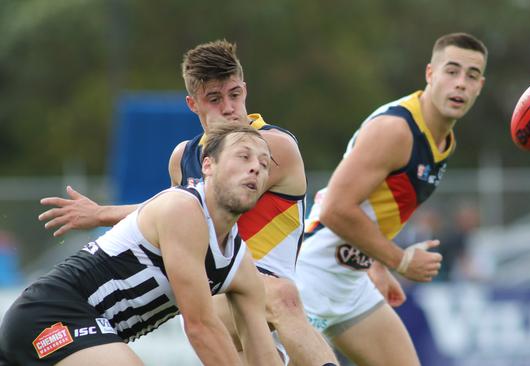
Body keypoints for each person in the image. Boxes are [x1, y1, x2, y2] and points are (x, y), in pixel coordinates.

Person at [38, 40, 337, 366]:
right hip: (219, 296)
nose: (229, 108)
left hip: (263, 291)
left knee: (281, 296)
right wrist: (99, 214)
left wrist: (102, 214)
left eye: (235, 94)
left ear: (245, 91)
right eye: (214, 99)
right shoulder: (184, 156)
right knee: (280, 297)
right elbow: (172, 214)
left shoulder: (271, 146)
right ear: (192, 104)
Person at [0, 123, 283, 366]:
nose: (255, 168)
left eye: (264, 164)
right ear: (208, 165)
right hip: (49, 316)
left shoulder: (240, 263)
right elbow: (201, 327)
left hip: (90, 335)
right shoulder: (182, 208)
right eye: (243, 156)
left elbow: (262, 353)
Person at [295, 32, 487, 365]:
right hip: (309, 280)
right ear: (430, 74)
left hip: (351, 283)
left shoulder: (444, 139)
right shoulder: (396, 129)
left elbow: (377, 205)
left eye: (471, 76)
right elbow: (335, 208)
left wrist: (377, 264)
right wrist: (399, 260)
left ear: (480, 86)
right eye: (451, 71)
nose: (460, 84)